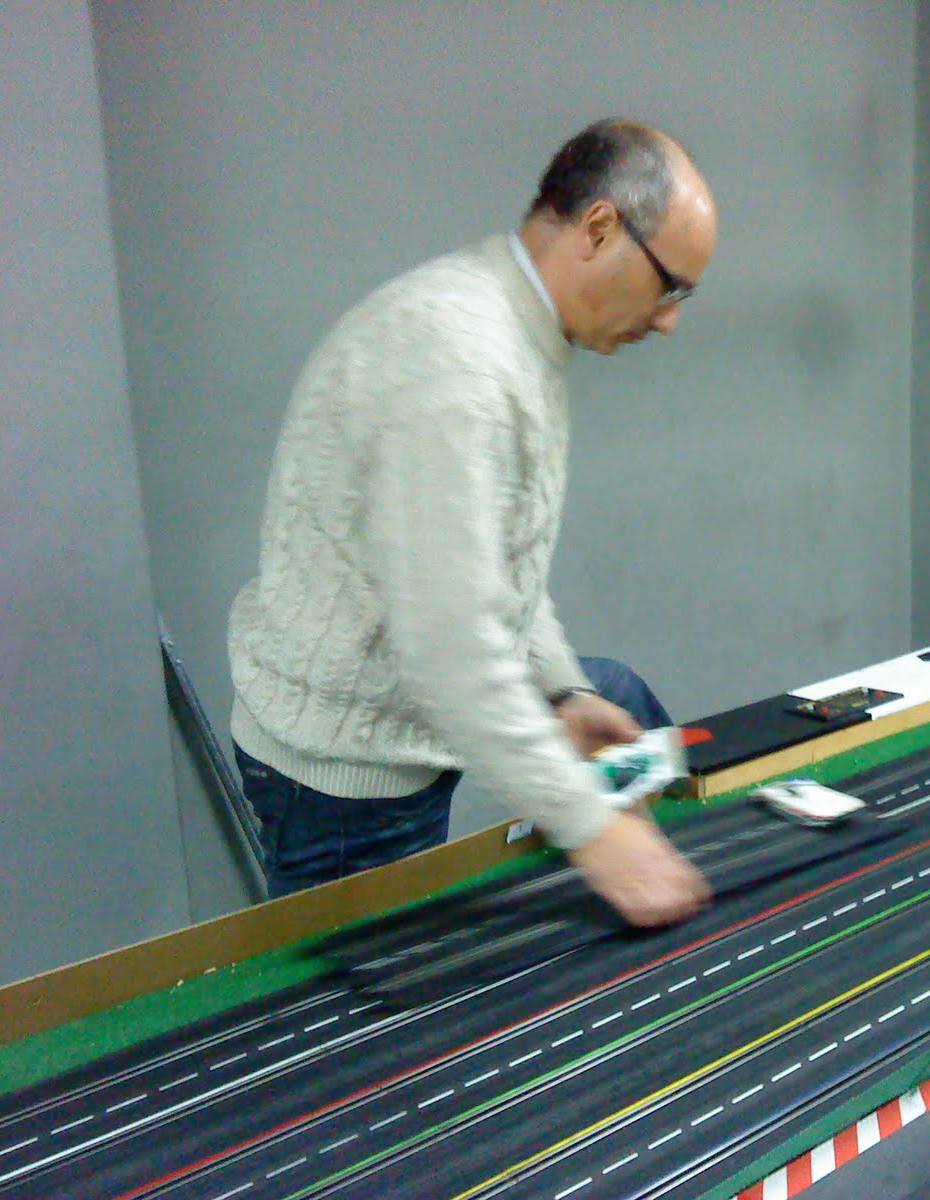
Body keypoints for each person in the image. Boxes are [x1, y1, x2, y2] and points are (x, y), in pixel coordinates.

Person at [226, 118, 715, 926]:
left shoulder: (514, 330)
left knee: (611, 686)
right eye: (671, 286)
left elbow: (495, 564)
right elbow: (450, 648)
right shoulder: (460, 362)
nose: (669, 320)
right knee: (378, 1006)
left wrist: (563, 690)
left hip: (396, 741)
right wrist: (597, 832)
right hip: (343, 783)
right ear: (599, 228)